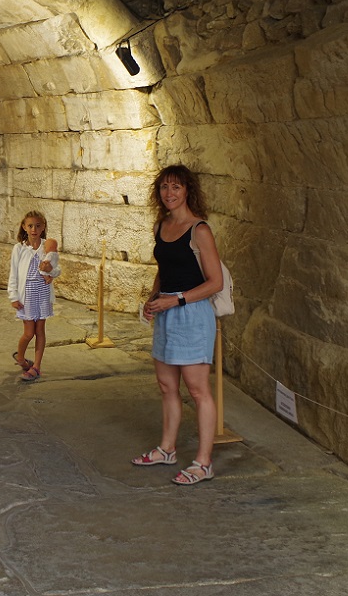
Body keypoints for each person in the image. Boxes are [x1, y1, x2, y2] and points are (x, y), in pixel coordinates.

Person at [131, 165, 224, 485]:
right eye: (164, 188)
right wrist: (154, 297)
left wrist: (177, 299)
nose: (169, 194)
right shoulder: (162, 226)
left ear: (188, 191)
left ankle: (203, 462)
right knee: (167, 386)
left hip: (193, 314)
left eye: (176, 188)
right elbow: (165, 268)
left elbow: (215, 282)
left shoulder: (200, 230)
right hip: (167, 311)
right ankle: (167, 449)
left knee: (198, 391)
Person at [8, 210, 60, 382]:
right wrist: (13, 296)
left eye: (38, 226)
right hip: (27, 294)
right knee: (28, 333)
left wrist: (50, 271)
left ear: (43, 227)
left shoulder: (48, 246)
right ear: (24, 227)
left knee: (40, 331)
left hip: (43, 293)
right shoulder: (19, 248)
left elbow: (57, 269)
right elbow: (13, 273)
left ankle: (36, 367)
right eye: (30, 226)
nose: (34, 229)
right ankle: (21, 359)